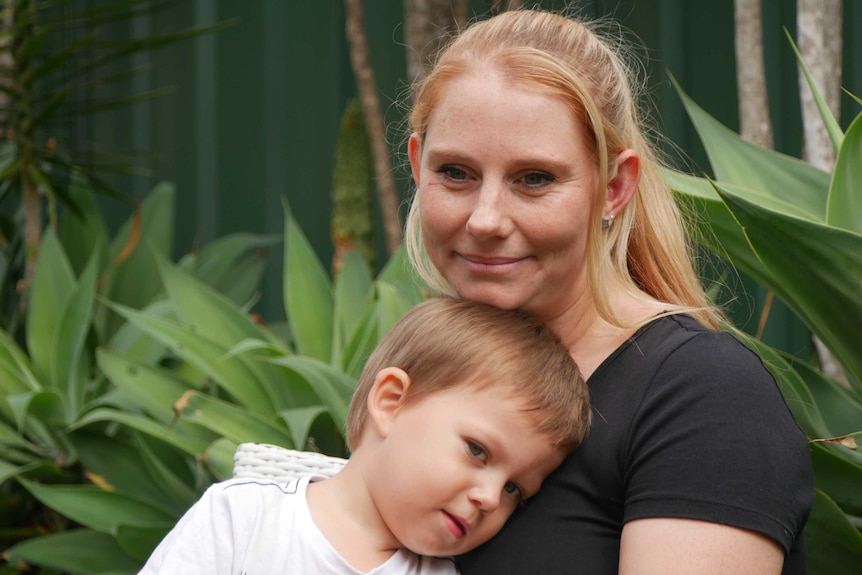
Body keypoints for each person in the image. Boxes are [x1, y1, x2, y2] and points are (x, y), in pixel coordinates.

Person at [403, 7, 813, 575]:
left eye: (535, 179)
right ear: (416, 164)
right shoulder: (429, 367)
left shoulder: (704, 399)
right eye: (455, 172)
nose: (485, 219)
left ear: (615, 187)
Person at [139, 296, 591, 575]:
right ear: (391, 402)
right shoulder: (243, 518)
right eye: (477, 451)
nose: (492, 499)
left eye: (515, 489)